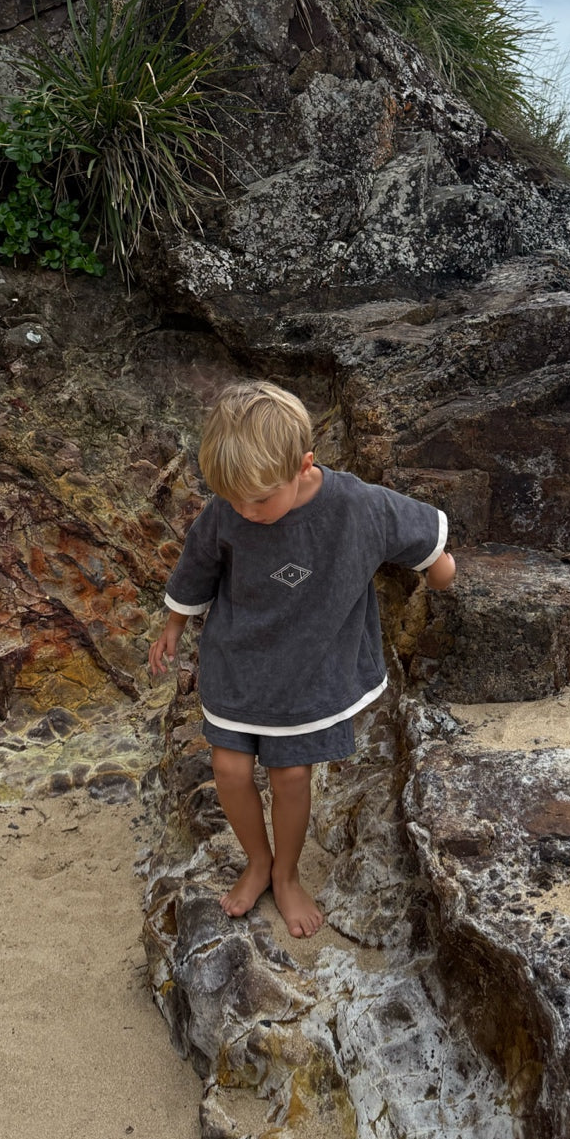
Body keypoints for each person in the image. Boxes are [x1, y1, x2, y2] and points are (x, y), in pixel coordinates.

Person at [148, 381, 456, 938]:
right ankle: (257, 861)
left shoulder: (357, 504)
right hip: (238, 662)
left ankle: (286, 875)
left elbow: (419, 533)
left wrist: (440, 570)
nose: (245, 511)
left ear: (304, 465)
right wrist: (173, 625)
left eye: (260, 500)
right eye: (233, 499)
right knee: (230, 769)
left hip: (311, 668)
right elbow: (197, 565)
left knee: (291, 775)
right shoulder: (231, 508)